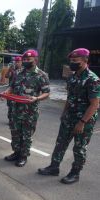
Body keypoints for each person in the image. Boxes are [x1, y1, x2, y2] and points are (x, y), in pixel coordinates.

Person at [38, 48, 100, 184]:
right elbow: (70, 97)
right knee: (60, 143)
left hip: (84, 120)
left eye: (75, 61)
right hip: (69, 117)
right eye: (71, 60)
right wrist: (64, 113)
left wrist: (82, 122)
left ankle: (75, 173)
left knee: (79, 148)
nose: (72, 63)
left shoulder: (92, 79)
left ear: (85, 61)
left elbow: (95, 104)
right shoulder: (72, 77)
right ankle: (54, 167)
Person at [3, 49, 50, 167]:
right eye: (24, 59)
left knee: (26, 134)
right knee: (15, 132)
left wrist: (37, 98)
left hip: (29, 111)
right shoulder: (18, 73)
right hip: (15, 109)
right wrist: (6, 92)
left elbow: (46, 93)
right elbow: (12, 87)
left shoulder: (41, 75)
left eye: (28, 59)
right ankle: (16, 152)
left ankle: (23, 156)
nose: (25, 61)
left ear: (35, 60)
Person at [5, 56, 23, 125]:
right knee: (10, 105)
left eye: (19, 62)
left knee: (17, 106)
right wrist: (9, 70)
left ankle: (16, 119)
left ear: (21, 62)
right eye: (16, 62)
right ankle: (10, 119)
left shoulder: (24, 71)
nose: (17, 63)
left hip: (19, 92)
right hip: (11, 91)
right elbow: (6, 76)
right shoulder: (12, 69)